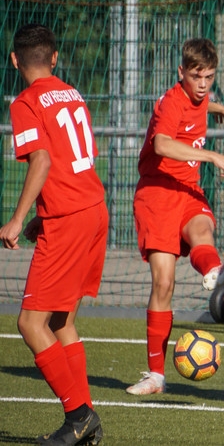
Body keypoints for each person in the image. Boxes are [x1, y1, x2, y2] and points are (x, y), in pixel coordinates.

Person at [126, 37, 224, 396]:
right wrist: (212, 156)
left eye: (209, 77)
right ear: (181, 71)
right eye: (196, 77)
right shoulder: (170, 101)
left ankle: (214, 270)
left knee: (203, 228)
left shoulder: (199, 97)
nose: (202, 85)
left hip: (187, 189)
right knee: (164, 284)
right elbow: (162, 144)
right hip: (157, 194)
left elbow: (198, 104)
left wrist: (217, 108)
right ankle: (155, 376)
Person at [0, 24, 108, 445]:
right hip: (92, 210)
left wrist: (16, 219)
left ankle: (79, 416)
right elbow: (72, 160)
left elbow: (43, 161)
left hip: (69, 220)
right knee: (61, 321)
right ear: (55, 58)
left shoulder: (26, 102)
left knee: (30, 323)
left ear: (14, 60)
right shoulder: (72, 93)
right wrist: (42, 217)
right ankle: (85, 419)